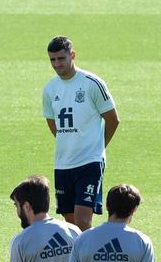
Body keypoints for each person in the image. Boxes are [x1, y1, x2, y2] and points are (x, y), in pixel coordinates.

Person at [42, 36, 120, 231]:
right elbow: (53, 125)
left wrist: (97, 147)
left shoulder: (92, 83)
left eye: (61, 58)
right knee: (71, 224)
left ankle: (88, 260)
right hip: (63, 162)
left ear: (72, 55)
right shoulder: (50, 89)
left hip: (89, 162)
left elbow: (112, 119)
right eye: (52, 60)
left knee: (83, 220)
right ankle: (78, 260)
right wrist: (70, 141)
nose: (57, 64)